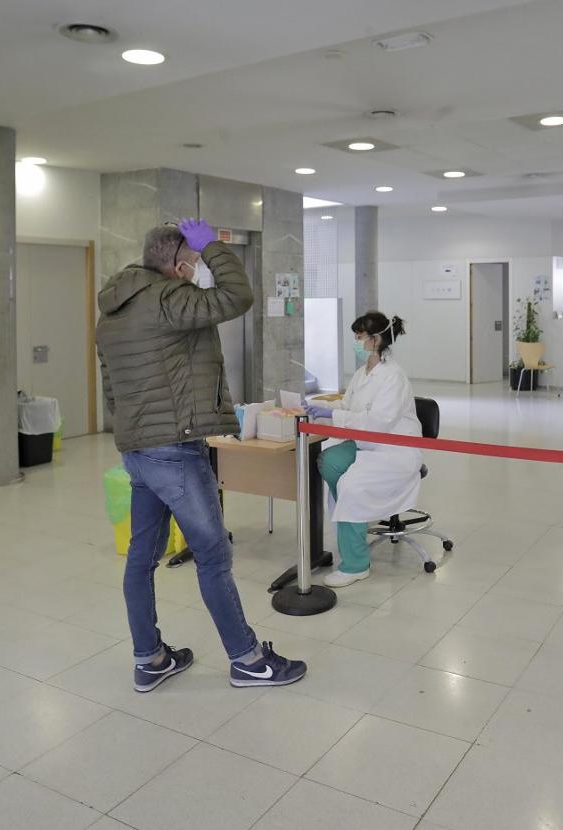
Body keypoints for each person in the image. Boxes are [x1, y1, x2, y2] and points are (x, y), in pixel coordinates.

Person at [96, 219, 306, 691]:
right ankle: (248, 660)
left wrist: (135, 435)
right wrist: (212, 245)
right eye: (191, 265)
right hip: (173, 445)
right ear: (179, 263)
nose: (194, 274)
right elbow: (237, 297)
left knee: (140, 558)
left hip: (138, 449)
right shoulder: (169, 298)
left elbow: (111, 388)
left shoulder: (111, 311)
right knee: (213, 554)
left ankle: (149, 658)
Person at [304, 312, 423, 588]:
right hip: (366, 444)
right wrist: (319, 409)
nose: (356, 341)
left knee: (350, 486)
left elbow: (379, 422)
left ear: (377, 338)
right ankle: (353, 527)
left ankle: (356, 565)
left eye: (360, 336)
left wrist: (332, 417)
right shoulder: (362, 373)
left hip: (394, 449)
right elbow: (348, 407)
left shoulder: (393, 376)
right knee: (329, 461)